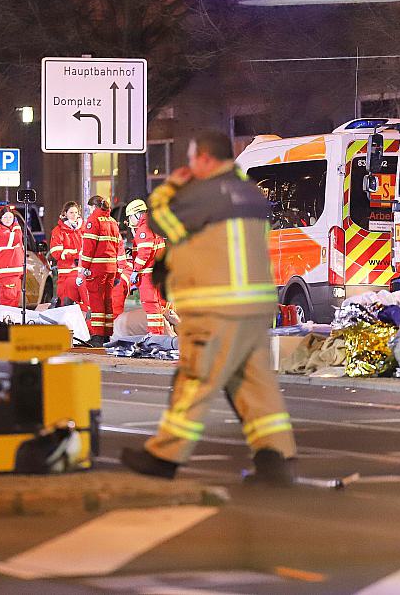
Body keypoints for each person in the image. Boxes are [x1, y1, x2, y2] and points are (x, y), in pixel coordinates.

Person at [121, 131, 297, 486]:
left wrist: (172, 185)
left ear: (203, 158)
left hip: (217, 306)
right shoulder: (249, 192)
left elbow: (159, 220)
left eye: (190, 159)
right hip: (255, 305)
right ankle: (275, 459)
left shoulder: (202, 194)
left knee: (193, 380)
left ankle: (164, 457)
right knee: (255, 385)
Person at [79, 195, 123, 347]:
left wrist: (84, 267)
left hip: (97, 269)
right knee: (107, 302)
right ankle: (106, 335)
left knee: (96, 302)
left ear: (93, 207)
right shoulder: (112, 221)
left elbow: (89, 247)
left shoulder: (93, 221)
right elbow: (117, 247)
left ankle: (97, 336)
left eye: (89, 208)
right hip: (111, 268)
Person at [126, 198, 168, 335]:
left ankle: (155, 335)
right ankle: (160, 334)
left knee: (151, 304)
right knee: (158, 304)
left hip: (147, 274)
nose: (129, 220)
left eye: (130, 217)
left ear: (137, 214)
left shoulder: (143, 229)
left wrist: (135, 270)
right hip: (157, 272)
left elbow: (144, 252)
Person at [49, 201, 86, 308]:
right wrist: (74, 255)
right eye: (71, 212)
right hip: (66, 273)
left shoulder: (84, 229)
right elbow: (56, 253)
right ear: (65, 214)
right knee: (66, 304)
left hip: (82, 272)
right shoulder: (58, 231)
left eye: (76, 212)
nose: (74, 215)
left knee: (85, 304)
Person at [0, 207, 25, 308]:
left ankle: (10, 322)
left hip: (13, 274)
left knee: (13, 302)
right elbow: (17, 238)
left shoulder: (7, 231)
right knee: (9, 304)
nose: (8, 219)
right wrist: (17, 225)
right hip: (7, 274)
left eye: (10, 217)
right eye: (5, 217)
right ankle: (7, 323)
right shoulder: (1, 232)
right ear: (0, 219)